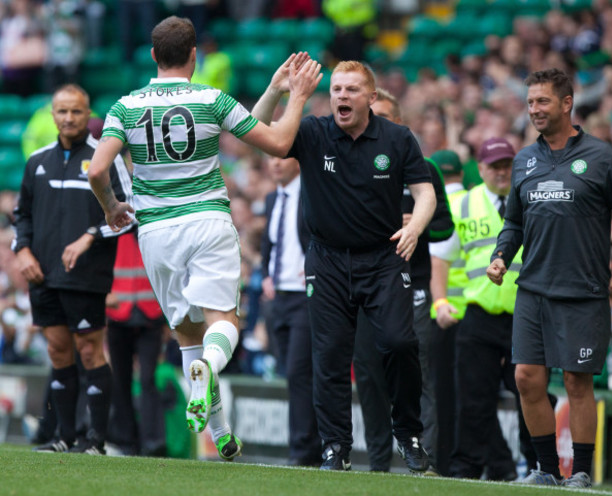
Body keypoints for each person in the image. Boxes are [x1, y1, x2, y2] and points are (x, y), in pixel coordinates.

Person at [87, 16, 322, 461]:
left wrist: (112, 208)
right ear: (195, 55)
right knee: (224, 324)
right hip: (206, 222)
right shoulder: (211, 100)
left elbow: (98, 170)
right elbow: (277, 141)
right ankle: (209, 374)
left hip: (155, 232)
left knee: (189, 337)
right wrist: (299, 98)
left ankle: (221, 435)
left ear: (154, 56)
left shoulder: (125, 107)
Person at [254, 60, 436, 471]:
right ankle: (335, 447)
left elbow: (425, 195)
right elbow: (258, 132)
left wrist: (415, 229)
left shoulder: (397, 138)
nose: (341, 96)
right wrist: (275, 89)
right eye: (336, 89)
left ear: (371, 99)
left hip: (384, 257)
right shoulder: (313, 131)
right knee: (330, 356)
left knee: (400, 343)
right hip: (327, 259)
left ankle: (407, 434)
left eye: (352, 90)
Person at [488, 68, 612, 488]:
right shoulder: (524, 159)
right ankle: (545, 470)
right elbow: (513, 224)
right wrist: (501, 256)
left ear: (566, 103)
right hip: (533, 289)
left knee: (577, 382)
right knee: (526, 377)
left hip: (583, 290)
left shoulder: (603, 157)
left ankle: (580, 472)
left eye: (542, 101)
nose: (534, 110)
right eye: (530, 103)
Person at [12, 83, 133, 454]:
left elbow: (128, 214)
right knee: (58, 352)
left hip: (86, 275)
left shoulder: (104, 158)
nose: (68, 118)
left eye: (76, 111)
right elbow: (22, 216)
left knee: (90, 352)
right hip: (43, 274)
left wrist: (89, 237)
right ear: (52, 115)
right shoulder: (37, 161)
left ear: (88, 113)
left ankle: (96, 441)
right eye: (62, 111)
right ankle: (63, 438)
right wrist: (23, 251)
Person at [352, 88, 453, 472]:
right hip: (363, 287)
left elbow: (445, 228)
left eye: (381, 117)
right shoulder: (350, 166)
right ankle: (378, 464)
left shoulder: (423, 168)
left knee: (417, 375)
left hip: (412, 288)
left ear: (398, 125)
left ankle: (422, 464)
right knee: (371, 378)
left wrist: (418, 224)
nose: (372, 123)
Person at [433, 137, 528, 481]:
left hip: (525, 314)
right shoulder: (462, 204)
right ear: (481, 169)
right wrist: (440, 301)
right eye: (495, 166)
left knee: (530, 394)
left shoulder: (530, 198)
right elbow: (440, 259)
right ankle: (466, 469)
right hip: (478, 312)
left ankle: (538, 466)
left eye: (507, 165)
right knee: (473, 398)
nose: (502, 172)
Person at [260, 155, 321, 467]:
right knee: (290, 371)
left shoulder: (312, 192)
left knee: (299, 372)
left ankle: (302, 448)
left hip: (304, 296)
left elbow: (322, 235)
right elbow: (269, 243)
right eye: (270, 157)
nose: (275, 163)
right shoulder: (273, 198)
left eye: (282, 156)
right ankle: (305, 443)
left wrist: (315, 268)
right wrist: (266, 275)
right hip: (278, 297)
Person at [106, 228, 167, 457]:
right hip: (119, 315)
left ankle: (153, 442)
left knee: (147, 379)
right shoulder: (114, 231)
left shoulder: (153, 230)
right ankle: (127, 441)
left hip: (149, 316)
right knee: (121, 380)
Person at [428, 149, 468, 477]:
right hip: (478, 311)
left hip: (436, 311)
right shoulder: (474, 203)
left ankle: (443, 462)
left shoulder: (429, 205)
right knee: (469, 394)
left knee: (438, 393)